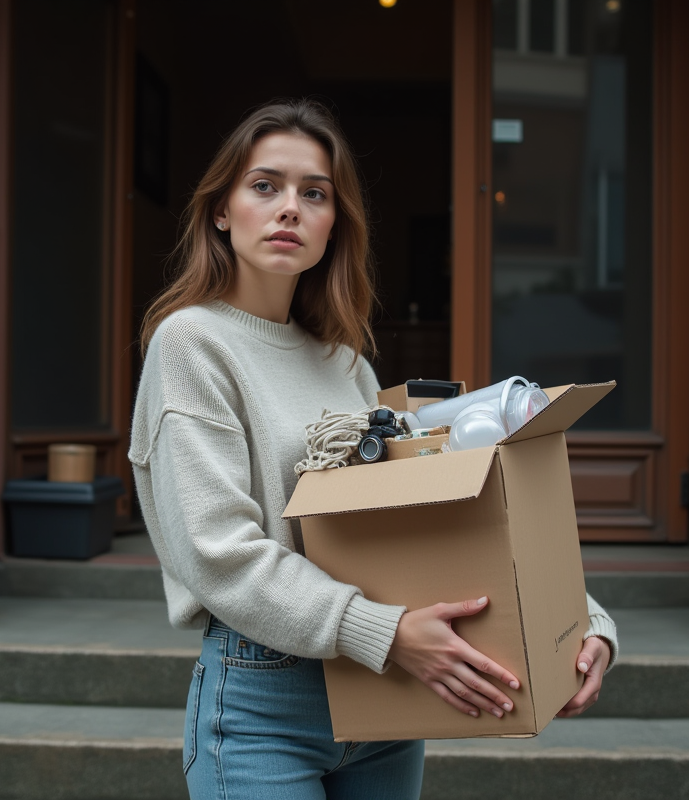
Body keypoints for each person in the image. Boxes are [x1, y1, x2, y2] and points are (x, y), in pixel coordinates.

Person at [129, 98, 618, 800]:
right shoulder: (191, 342)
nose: (289, 208)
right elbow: (217, 551)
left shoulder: (345, 362)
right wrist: (383, 632)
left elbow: (420, 519)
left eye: (315, 193)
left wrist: (581, 619)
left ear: (335, 226)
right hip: (267, 702)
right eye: (265, 186)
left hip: (385, 700)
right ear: (220, 210)